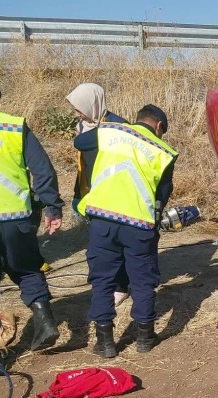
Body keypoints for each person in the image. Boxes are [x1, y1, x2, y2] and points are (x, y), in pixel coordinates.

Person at [0, 70, 64, 366]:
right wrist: (52, 207)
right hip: (17, 220)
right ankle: (44, 319)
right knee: (27, 268)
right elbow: (43, 170)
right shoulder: (13, 126)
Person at [78, 104, 177, 358]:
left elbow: (80, 142)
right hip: (139, 224)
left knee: (102, 280)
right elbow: (162, 195)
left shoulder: (110, 131)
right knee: (143, 281)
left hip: (102, 218)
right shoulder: (163, 151)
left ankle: (105, 342)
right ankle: (145, 338)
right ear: (158, 126)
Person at [66, 83, 131, 307]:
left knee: (116, 244)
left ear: (91, 104)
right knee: (99, 245)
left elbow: (81, 144)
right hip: (93, 193)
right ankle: (104, 282)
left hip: (115, 193)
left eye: (79, 108)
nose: (77, 114)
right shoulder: (83, 125)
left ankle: (120, 286)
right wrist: (78, 194)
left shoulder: (118, 126)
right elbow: (83, 162)